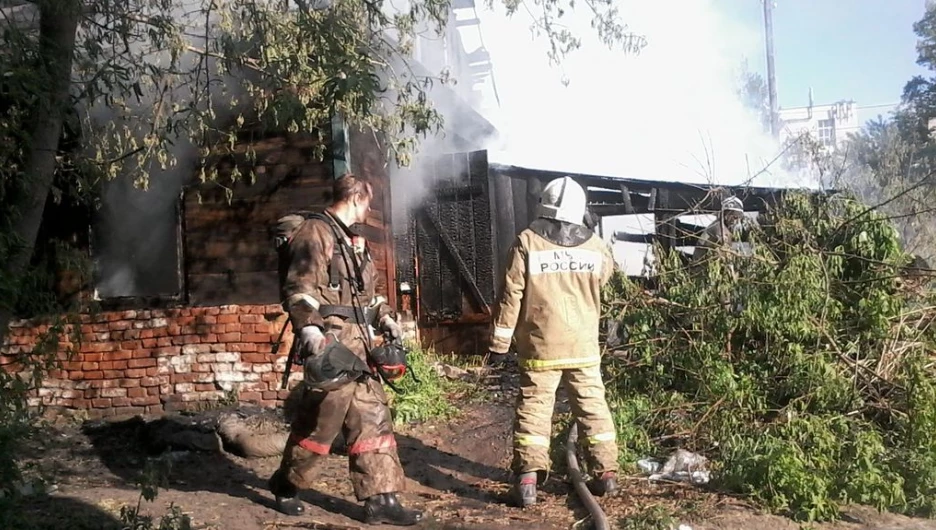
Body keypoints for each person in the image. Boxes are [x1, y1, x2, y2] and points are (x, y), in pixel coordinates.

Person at [267, 174, 422, 526]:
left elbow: (369, 295)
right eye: (368, 202)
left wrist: (385, 318)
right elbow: (300, 286)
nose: (370, 209)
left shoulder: (354, 241)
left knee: (373, 418)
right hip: (332, 343)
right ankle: (286, 484)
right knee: (320, 424)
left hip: (361, 344)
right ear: (357, 198)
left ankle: (382, 498)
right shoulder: (315, 233)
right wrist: (309, 327)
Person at [489, 176, 620, 508]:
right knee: (592, 408)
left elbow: (510, 297)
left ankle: (528, 482)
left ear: (543, 206)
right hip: (583, 346)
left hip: (540, 346)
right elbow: (606, 281)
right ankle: (606, 476)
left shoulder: (527, 242)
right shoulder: (596, 246)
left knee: (534, 410)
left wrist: (499, 345)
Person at [691, 196, 745, 266]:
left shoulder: (721, 226)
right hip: (702, 267)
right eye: (734, 216)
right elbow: (726, 251)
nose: (736, 221)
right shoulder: (719, 228)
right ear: (725, 214)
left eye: (738, 217)